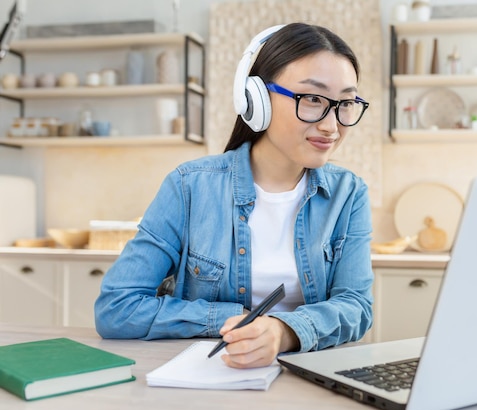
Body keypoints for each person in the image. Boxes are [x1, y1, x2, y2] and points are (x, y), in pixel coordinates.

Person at [94, 22, 373, 369]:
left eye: (345, 103)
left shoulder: (348, 194)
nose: (332, 125)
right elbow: (116, 309)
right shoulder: (189, 186)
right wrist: (233, 318)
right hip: (213, 378)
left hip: (307, 378)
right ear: (255, 99)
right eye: (313, 99)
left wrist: (284, 332)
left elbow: (356, 306)